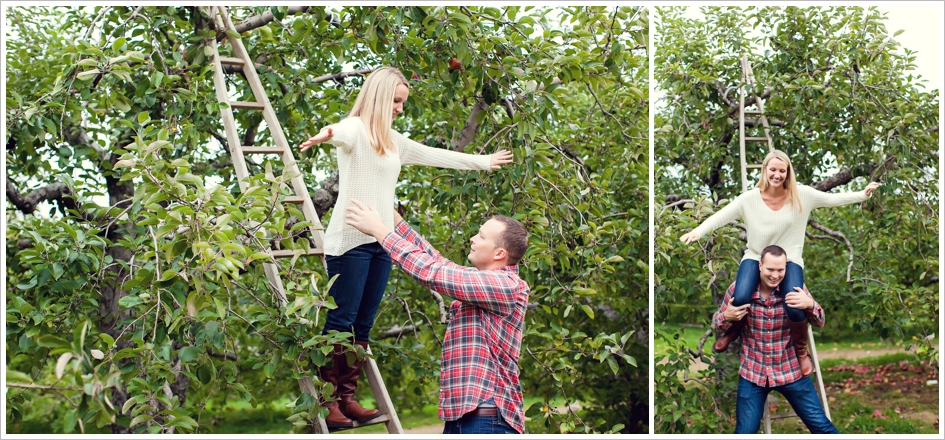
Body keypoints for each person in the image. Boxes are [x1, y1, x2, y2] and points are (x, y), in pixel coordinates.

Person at [298, 66, 513, 428]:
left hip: (382, 243)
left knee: (363, 324)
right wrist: (326, 134)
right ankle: (327, 398)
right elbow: (342, 129)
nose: (399, 108)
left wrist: (483, 163)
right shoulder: (357, 132)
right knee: (341, 319)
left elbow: (437, 155)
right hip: (350, 242)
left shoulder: (394, 142)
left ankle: (347, 398)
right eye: (396, 101)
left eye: (402, 102)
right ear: (381, 97)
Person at [680, 149, 879, 375]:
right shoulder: (749, 199)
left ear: (788, 173)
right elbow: (722, 215)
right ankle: (733, 331)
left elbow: (833, 200)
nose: (777, 175)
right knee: (741, 297)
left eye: (782, 171)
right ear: (765, 170)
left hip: (790, 259)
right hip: (756, 256)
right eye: (773, 169)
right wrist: (698, 231)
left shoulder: (802, 194)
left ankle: (802, 352)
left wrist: (862, 195)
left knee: (794, 305)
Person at [344, 199, 530, 435]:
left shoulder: (507, 286)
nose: (473, 239)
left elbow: (432, 272)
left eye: (481, 237)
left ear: (499, 253)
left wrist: (379, 230)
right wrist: (393, 218)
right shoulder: (484, 282)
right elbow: (436, 261)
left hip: (487, 419)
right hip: (467, 418)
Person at [714, 245, 838, 434]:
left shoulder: (796, 290)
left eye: (780, 270)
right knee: (744, 432)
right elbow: (717, 324)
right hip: (753, 373)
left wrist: (810, 304)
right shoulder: (739, 289)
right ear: (760, 266)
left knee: (821, 426)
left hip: (790, 371)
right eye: (770, 269)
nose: (775, 275)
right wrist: (727, 317)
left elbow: (820, 322)